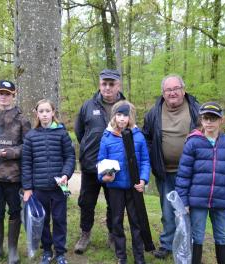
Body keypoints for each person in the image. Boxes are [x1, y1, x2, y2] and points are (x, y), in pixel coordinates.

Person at [175, 102, 225, 264]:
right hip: (197, 201)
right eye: (206, 118)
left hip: (221, 201)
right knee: (196, 237)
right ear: (201, 120)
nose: (209, 122)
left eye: (213, 119)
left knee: (222, 237)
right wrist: (183, 202)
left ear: (221, 120)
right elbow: (183, 176)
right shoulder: (192, 143)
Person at [142, 74, 200, 259]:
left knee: (190, 211)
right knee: (168, 212)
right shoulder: (153, 113)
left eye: (176, 88)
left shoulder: (196, 110)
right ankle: (167, 244)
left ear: (183, 90)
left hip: (192, 173)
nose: (173, 92)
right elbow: (147, 138)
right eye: (169, 90)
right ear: (163, 93)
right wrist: (154, 159)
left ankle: (188, 245)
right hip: (165, 172)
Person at [74, 69, 125, 254]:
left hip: (115, 167)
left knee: (115, 203)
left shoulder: (125, 107)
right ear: (99, 84)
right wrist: (89, 149)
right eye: (104, 83)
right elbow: (80, 132)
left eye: (112, 84)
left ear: (118, 85)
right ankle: (85, 233)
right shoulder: (87, 106)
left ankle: (113, 235)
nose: (108, 87)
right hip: (91, 165)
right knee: (86, 202)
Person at [0, 80, 31, 264]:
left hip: (14, 176)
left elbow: (27, 146)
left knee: (15, 213)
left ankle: (12, 251)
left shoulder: (22, 120)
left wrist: (11, 152)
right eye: (1, 93)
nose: (4, 96)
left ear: (13, 95)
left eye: (7, 93)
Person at [21, 99, 75, 264]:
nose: (44, 114)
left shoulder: (62, 133)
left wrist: (66, 174)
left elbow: (70, 157)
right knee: (43, 221)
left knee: (59, 220)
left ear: (53, 113)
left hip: (59, 187)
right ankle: (46, 251)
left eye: (47, 111)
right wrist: (28, 188)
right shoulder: (30, 136)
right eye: (41, 111)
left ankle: (60, 252)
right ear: (37, 114)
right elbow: (26, 163)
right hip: (39, 189)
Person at [97, 101, 150, 264]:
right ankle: (121, 255)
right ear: (114, 116)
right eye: (118, 115)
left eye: (125, 115)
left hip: (134, 187)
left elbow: (145, 161)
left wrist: (143, 179)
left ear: (130, 117)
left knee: (136, 222)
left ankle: (139, 257)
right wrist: (104, 177)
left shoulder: (138, 136)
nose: (121, 118)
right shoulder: (106, 138)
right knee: (117, 221)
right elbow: (100, 162)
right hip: (115, 188)